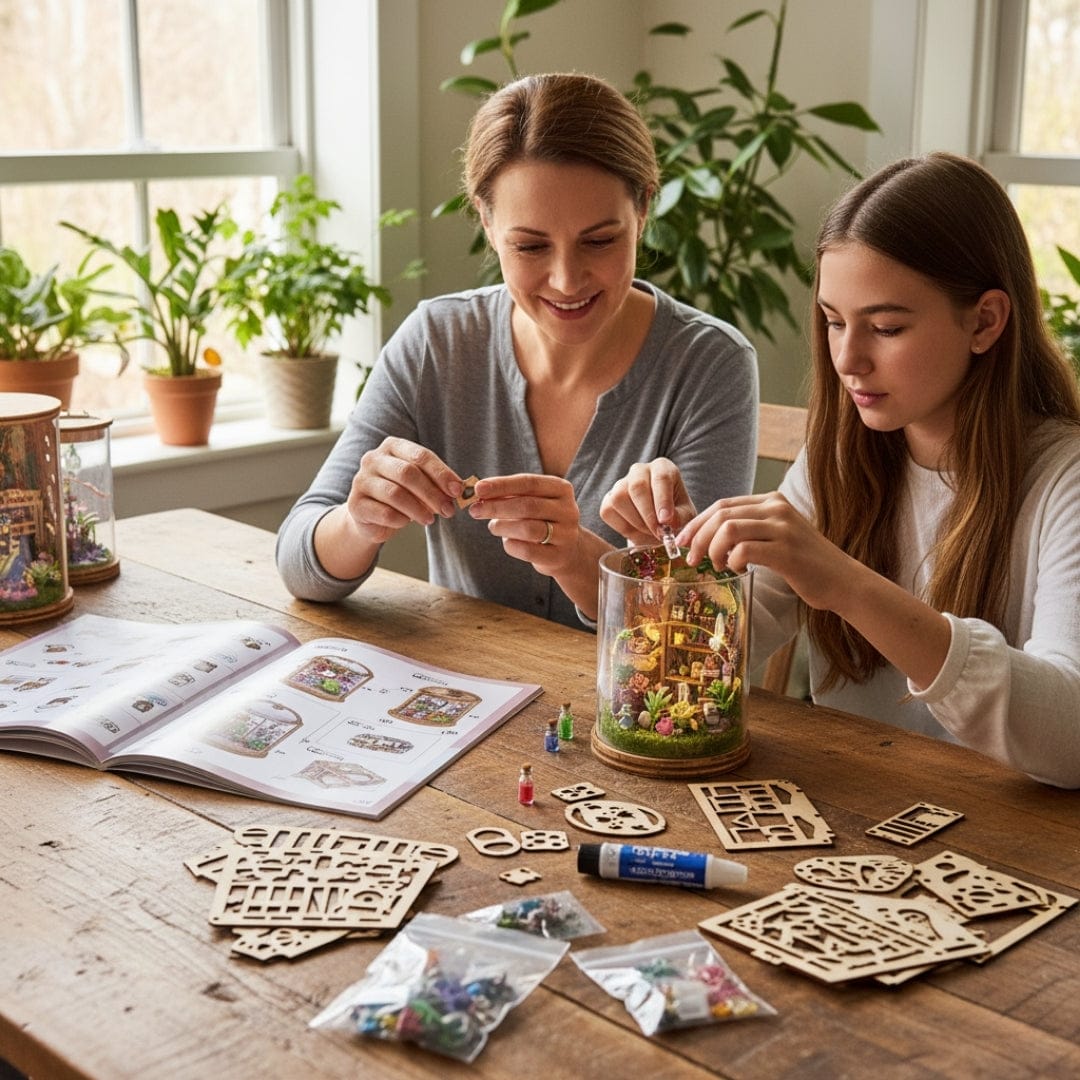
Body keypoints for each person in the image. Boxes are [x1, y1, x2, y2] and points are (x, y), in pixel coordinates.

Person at [601, 151, 1080, 787]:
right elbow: (721, 662)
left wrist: (844, 582)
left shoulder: (1062, 479)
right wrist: (675, 561)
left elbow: (1069, 735)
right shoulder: (839, 460)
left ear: (985, 322)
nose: (848, 359)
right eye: (833, 322)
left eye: (885, 326)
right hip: (858, 804)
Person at [276, 73, 758, 629]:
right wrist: (359, 522)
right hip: (464, 696)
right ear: (486, 222)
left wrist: (575, 554)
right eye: (530, 245)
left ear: (644, 207)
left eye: (599, 241)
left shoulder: (709, 364)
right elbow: (298, 565)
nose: (566, 279)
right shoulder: (437, 342)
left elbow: (695, 623)